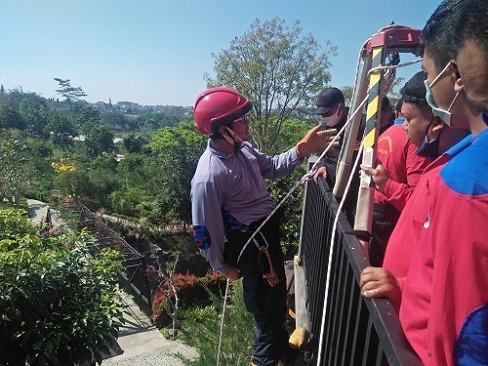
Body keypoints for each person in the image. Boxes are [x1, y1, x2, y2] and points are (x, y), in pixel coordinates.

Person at [361, 0, 488, 364]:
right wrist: (404, 286)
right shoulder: (464, 154)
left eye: (430, 72)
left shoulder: (468, 186)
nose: (429, 84)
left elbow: (465, 336)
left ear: (455, 76)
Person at [190, 86, 335, 366]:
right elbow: (204, 231)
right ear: (223, 129)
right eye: (241, 120)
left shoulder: (242, 150)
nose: (247, 124)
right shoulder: (208, 176)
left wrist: (301, 149)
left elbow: (271, 167)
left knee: (277, 301)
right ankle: (266, 360)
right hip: (252, 250)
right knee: (266, 316)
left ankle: (283, 356)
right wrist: (221, 266)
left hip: (265, 240)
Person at [360, 71, 436, 266]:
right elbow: (418, 202)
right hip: (389, 216)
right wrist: (389, 186)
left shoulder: (385, 134)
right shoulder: (413, 142)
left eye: (410, 119)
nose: (406, 127)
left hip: (376, 212)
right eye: (407, 118)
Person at [313, 87, 361, 224]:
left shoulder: (359, 124)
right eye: (322, 114)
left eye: (327, 113)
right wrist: (321, 166)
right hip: (331, 194)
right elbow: (321, 154)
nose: (324, 117)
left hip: (353, 197)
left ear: (340, 108)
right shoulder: (325, 129)